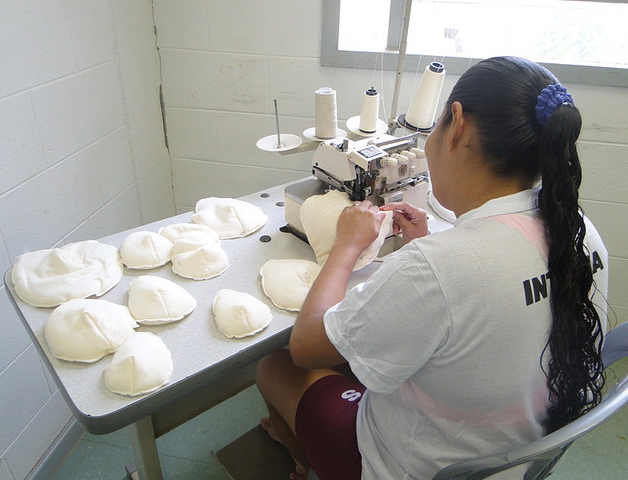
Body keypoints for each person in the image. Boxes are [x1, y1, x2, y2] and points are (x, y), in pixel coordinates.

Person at [255, 56, 609, 480]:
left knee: (273, 367)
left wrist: (345, 248)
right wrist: (423, 249)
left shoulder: (438, 268)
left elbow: (306, 346)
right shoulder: (580, 231)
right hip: (515, 458)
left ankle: (302, 461)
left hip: (408, 468)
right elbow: (491, 300)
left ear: (456, 124)